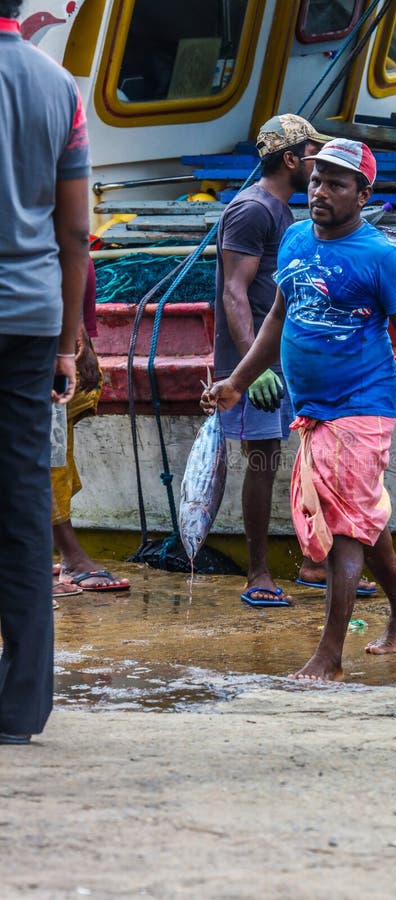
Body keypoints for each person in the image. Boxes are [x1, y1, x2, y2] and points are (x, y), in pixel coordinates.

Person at [202, 138, 396, 680]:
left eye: (337, 184)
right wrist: (237, 381)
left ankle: (329, 658)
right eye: (316, 181)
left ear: (363, 194)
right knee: (358, 516)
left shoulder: (383, 258)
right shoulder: (293, 239)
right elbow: (276, 322)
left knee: (341, 529)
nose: (320, 192)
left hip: (363, 407)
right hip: (313, 410)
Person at [0, 1, 90, 743]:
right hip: (31, 320)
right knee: (24, 499)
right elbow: (75, 232)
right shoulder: (60, 86)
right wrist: (68, 344)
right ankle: (22, 705)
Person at [213, 113, 330, 608]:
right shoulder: (252, 210)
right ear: (289, 159)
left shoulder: (283, 213)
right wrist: (250, 371)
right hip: (253, 361)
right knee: (261, 460)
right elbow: (234, 293)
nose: (317, 165)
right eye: (311, 156)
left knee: (301, 455)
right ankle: (257, 573)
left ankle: (314, 560)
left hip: (281, 357)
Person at [52, 260, 130, 599]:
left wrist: (81, 337)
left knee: (56, 451)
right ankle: (68, 556)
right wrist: (73, 333)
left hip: (58, 340)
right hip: (39, 339)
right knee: (44, 458)